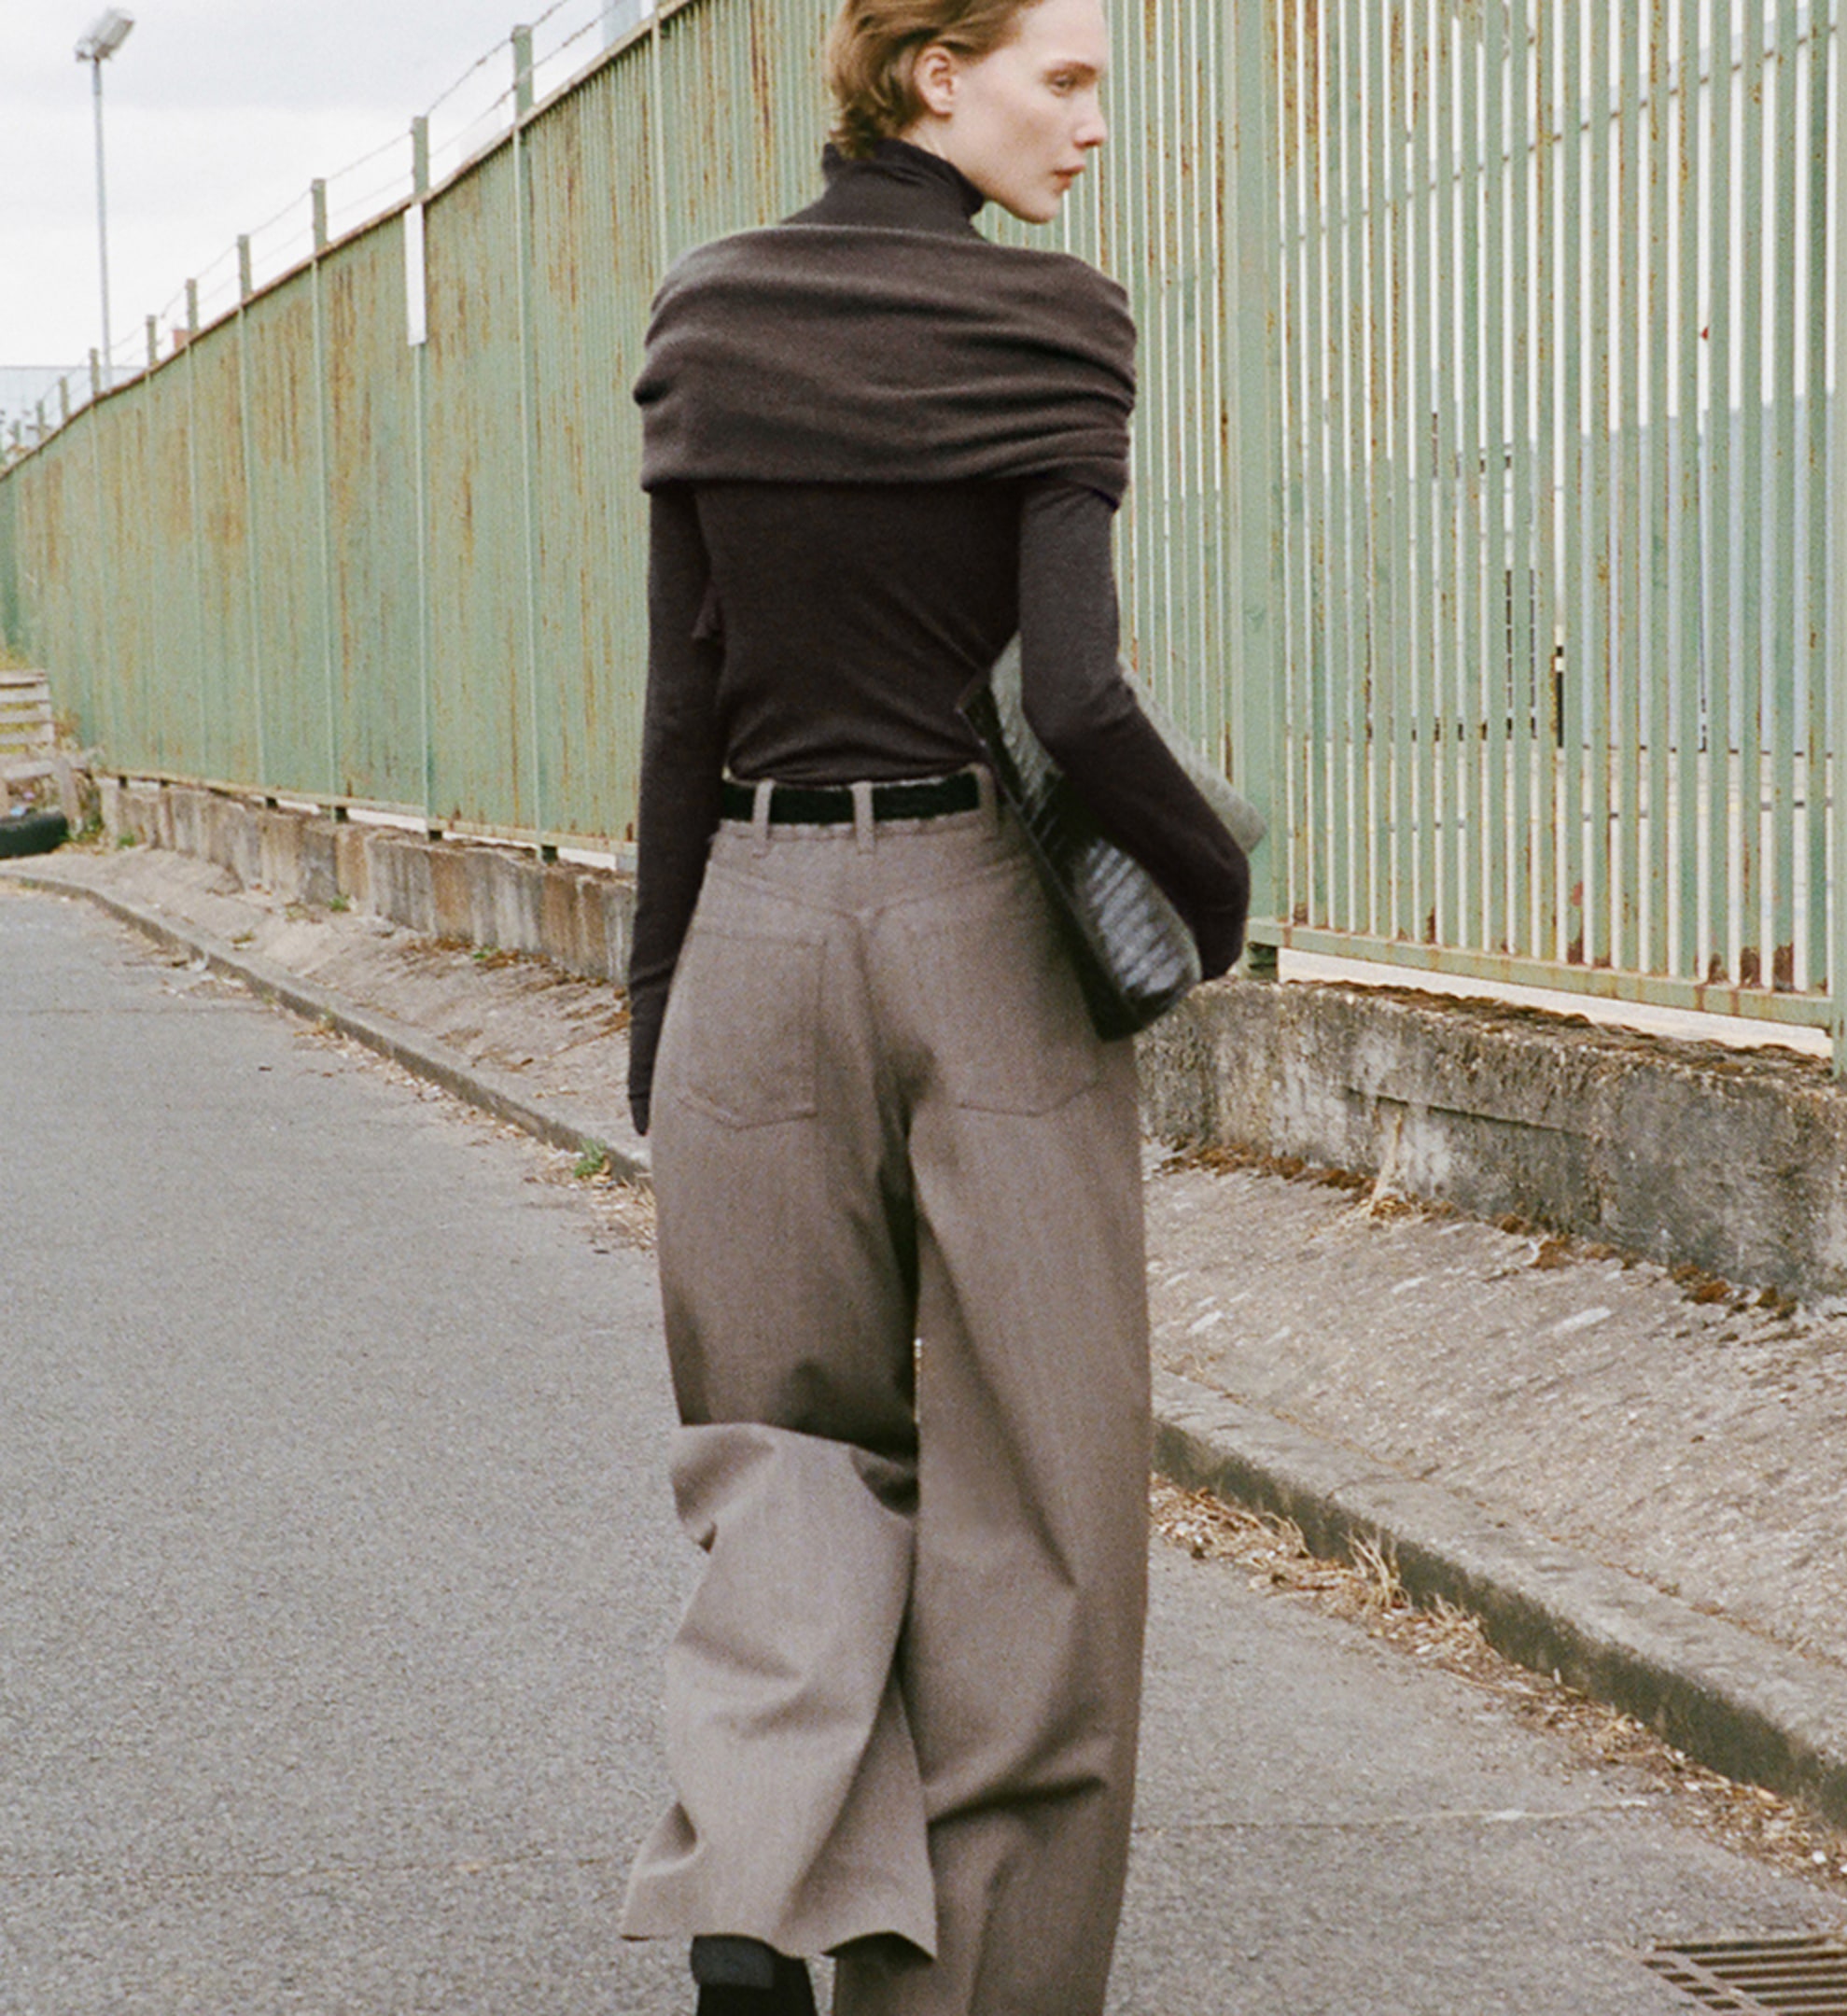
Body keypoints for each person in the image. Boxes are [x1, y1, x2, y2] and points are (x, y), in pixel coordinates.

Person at [619, 1, 1251, 2009]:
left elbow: (681, 699)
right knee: (1038, 1501)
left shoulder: (702, 314)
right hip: (974, 937)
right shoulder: (1052, 327)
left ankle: (753, 1897)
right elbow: (1076, 702)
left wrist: (660, 1000)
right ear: (928, 75)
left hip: (750, 933)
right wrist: (1221, 893)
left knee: (783, 1462)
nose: (1091, 121)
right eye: (1061, 78)